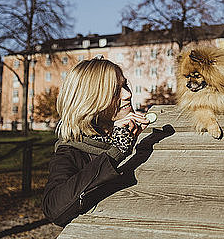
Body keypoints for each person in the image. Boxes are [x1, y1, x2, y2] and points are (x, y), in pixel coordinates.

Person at [42, 58, 149, 227]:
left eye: (125, 86)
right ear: (91, 100)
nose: (128, 94)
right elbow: (54, 209)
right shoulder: (71, 151)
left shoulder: (132, 133)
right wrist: (116, 152)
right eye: (115, 91)